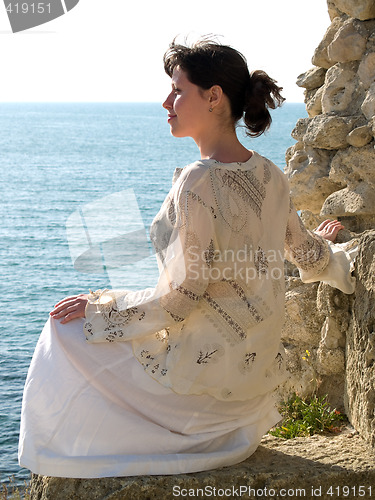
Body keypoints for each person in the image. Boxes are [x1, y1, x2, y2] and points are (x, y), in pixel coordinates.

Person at [18, 38, 356, 478]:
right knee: (99, 311)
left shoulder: (198, 180)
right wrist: (333, 249)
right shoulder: (271, 174)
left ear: (214, 96)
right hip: (247, 403)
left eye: (177, 90)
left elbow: (185, 297)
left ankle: (74, 457)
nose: (166, 102)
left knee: (63, 332)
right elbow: (309, 257)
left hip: (202, 400)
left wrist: (103, 312)